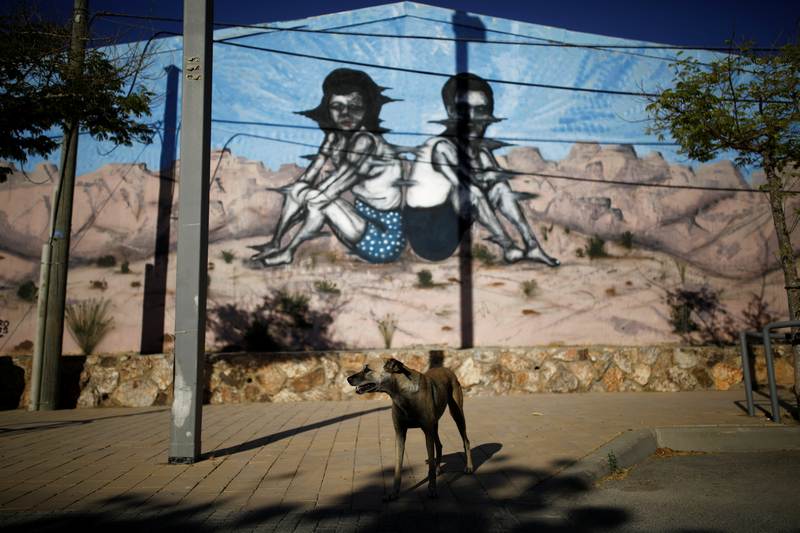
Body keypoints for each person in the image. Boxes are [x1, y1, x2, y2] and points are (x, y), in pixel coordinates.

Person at [250, 68, 405, 266]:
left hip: (383, 238)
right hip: (358, 222)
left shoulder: (366, 141)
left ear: (367, 109)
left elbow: (334, 188)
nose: (345, 114)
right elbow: (307, 178)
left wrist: (309, 200)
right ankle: (275, 243)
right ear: (328, 108)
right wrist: (300, 193)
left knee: (320, 200)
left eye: (354, 107)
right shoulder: (334, 137)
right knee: (299, 189)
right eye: (337, 107)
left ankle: (288, 252)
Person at [404, 73, 559, 266]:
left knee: (499, 188)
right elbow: (468, 188)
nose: (474, 118)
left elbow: (497, 188)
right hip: (426, 234)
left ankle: (532, 245)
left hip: (450, 230)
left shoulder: (481, 152)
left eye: (481, 110)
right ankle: (508, 247)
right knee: (472, 191)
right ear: (452, 113)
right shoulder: (441, 147)